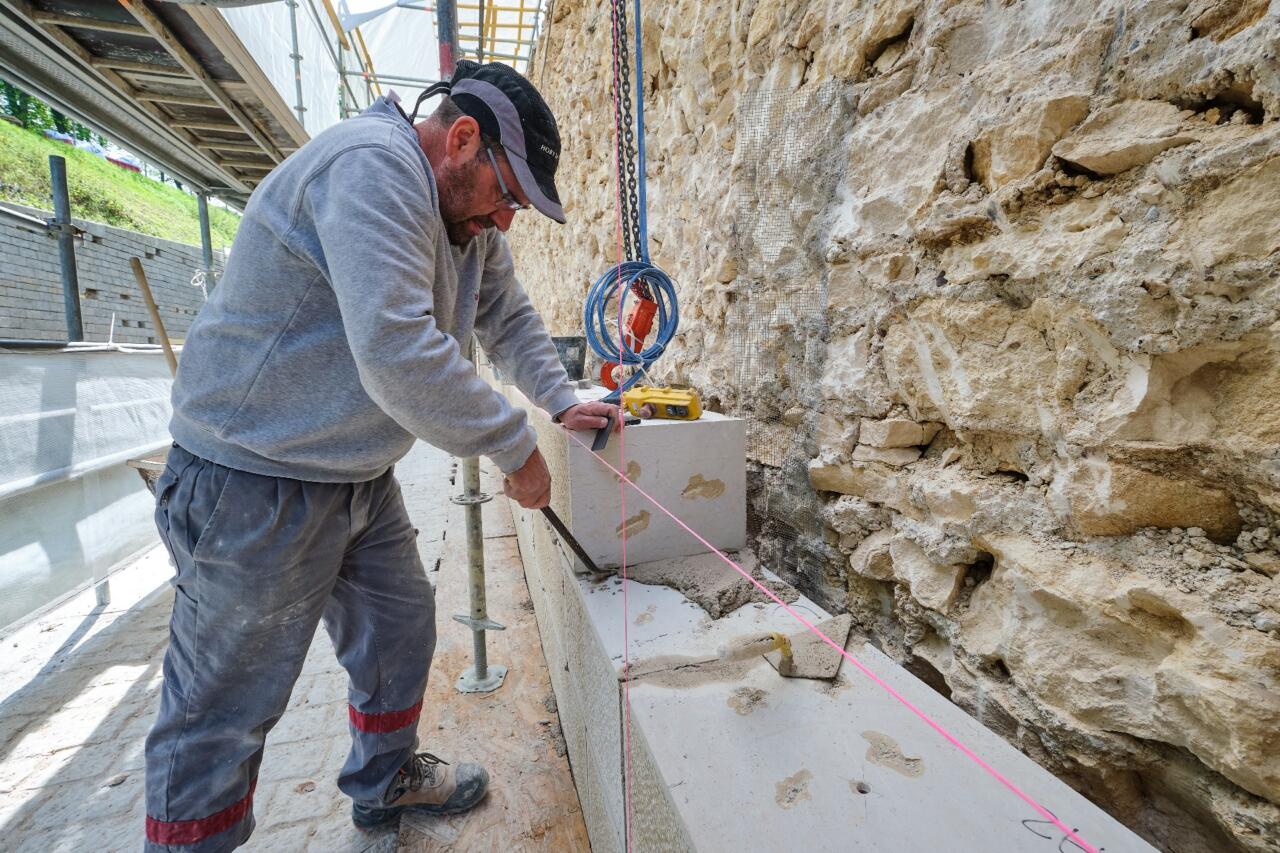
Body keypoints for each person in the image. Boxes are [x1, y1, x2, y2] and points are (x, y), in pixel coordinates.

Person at [143, 60, 616, 851]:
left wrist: (561, 401)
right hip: (250, 479)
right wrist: (514, 446)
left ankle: (382, 780)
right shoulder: (372, 168)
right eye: (508, 193)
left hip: (352, 471)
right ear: (461, 139)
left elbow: (507, 316)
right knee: (223, 709)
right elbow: (398, 352)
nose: (506, 220)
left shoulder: (465, 221)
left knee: (399, 625)